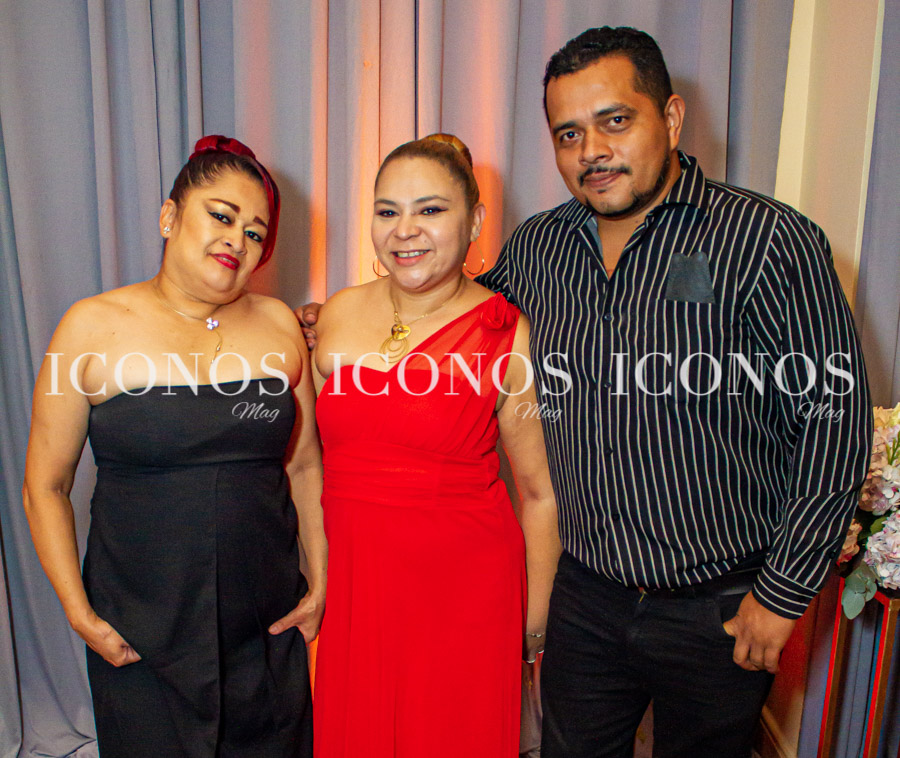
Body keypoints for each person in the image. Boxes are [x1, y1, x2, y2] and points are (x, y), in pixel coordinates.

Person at [300, 28, 872, 758]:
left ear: (671, 118)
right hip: (586, 597)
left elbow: (834, 420)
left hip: (720, 605)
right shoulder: (541, 248)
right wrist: (331, 322)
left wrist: (783, 592)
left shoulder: (767, 241)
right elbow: (451, 313)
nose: (591, 150)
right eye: (568, 133)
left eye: (615, 121)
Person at [23, 135, 326, 758]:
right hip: (142, 635)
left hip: (264, 626)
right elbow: (44, 487)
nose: (238, 240)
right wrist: (80, 613)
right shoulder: (88, 326)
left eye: (255, 232)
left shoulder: (279, 324)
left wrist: (320, 581)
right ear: (169, 216)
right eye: (222, 216)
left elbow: (303, 466)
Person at [309, 133, 561, 758]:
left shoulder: (506, 333)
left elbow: (539, 493)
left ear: (474, 221)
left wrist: (533, 620)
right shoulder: (334, 314)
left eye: (430, 209)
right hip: (358, 590)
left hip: (464, 593)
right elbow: (307, 462)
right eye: (387, 211)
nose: (405, 230)